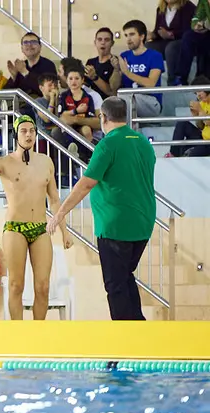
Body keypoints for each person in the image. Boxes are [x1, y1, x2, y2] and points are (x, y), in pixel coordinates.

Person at [48, 97, 156, 321]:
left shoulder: (108, 145)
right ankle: (139, 327)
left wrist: (60, 213)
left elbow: (86, 184)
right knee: (125, 277)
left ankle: (124, 337)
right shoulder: (143, 142)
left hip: (115, 225)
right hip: (144, 222)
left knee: (115, 285)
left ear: (103, 117)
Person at [0, 116, 74, 320]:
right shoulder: (5, 162)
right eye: (23, 131)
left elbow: (54, 199)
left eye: (32, 131)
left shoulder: (45, 161)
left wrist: (65, 231)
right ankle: (19, 332)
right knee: (16, 285)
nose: (28, 135)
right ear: (15, 135)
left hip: (40, 228)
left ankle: (37, 332)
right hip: (15, 228)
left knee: (43, 286)